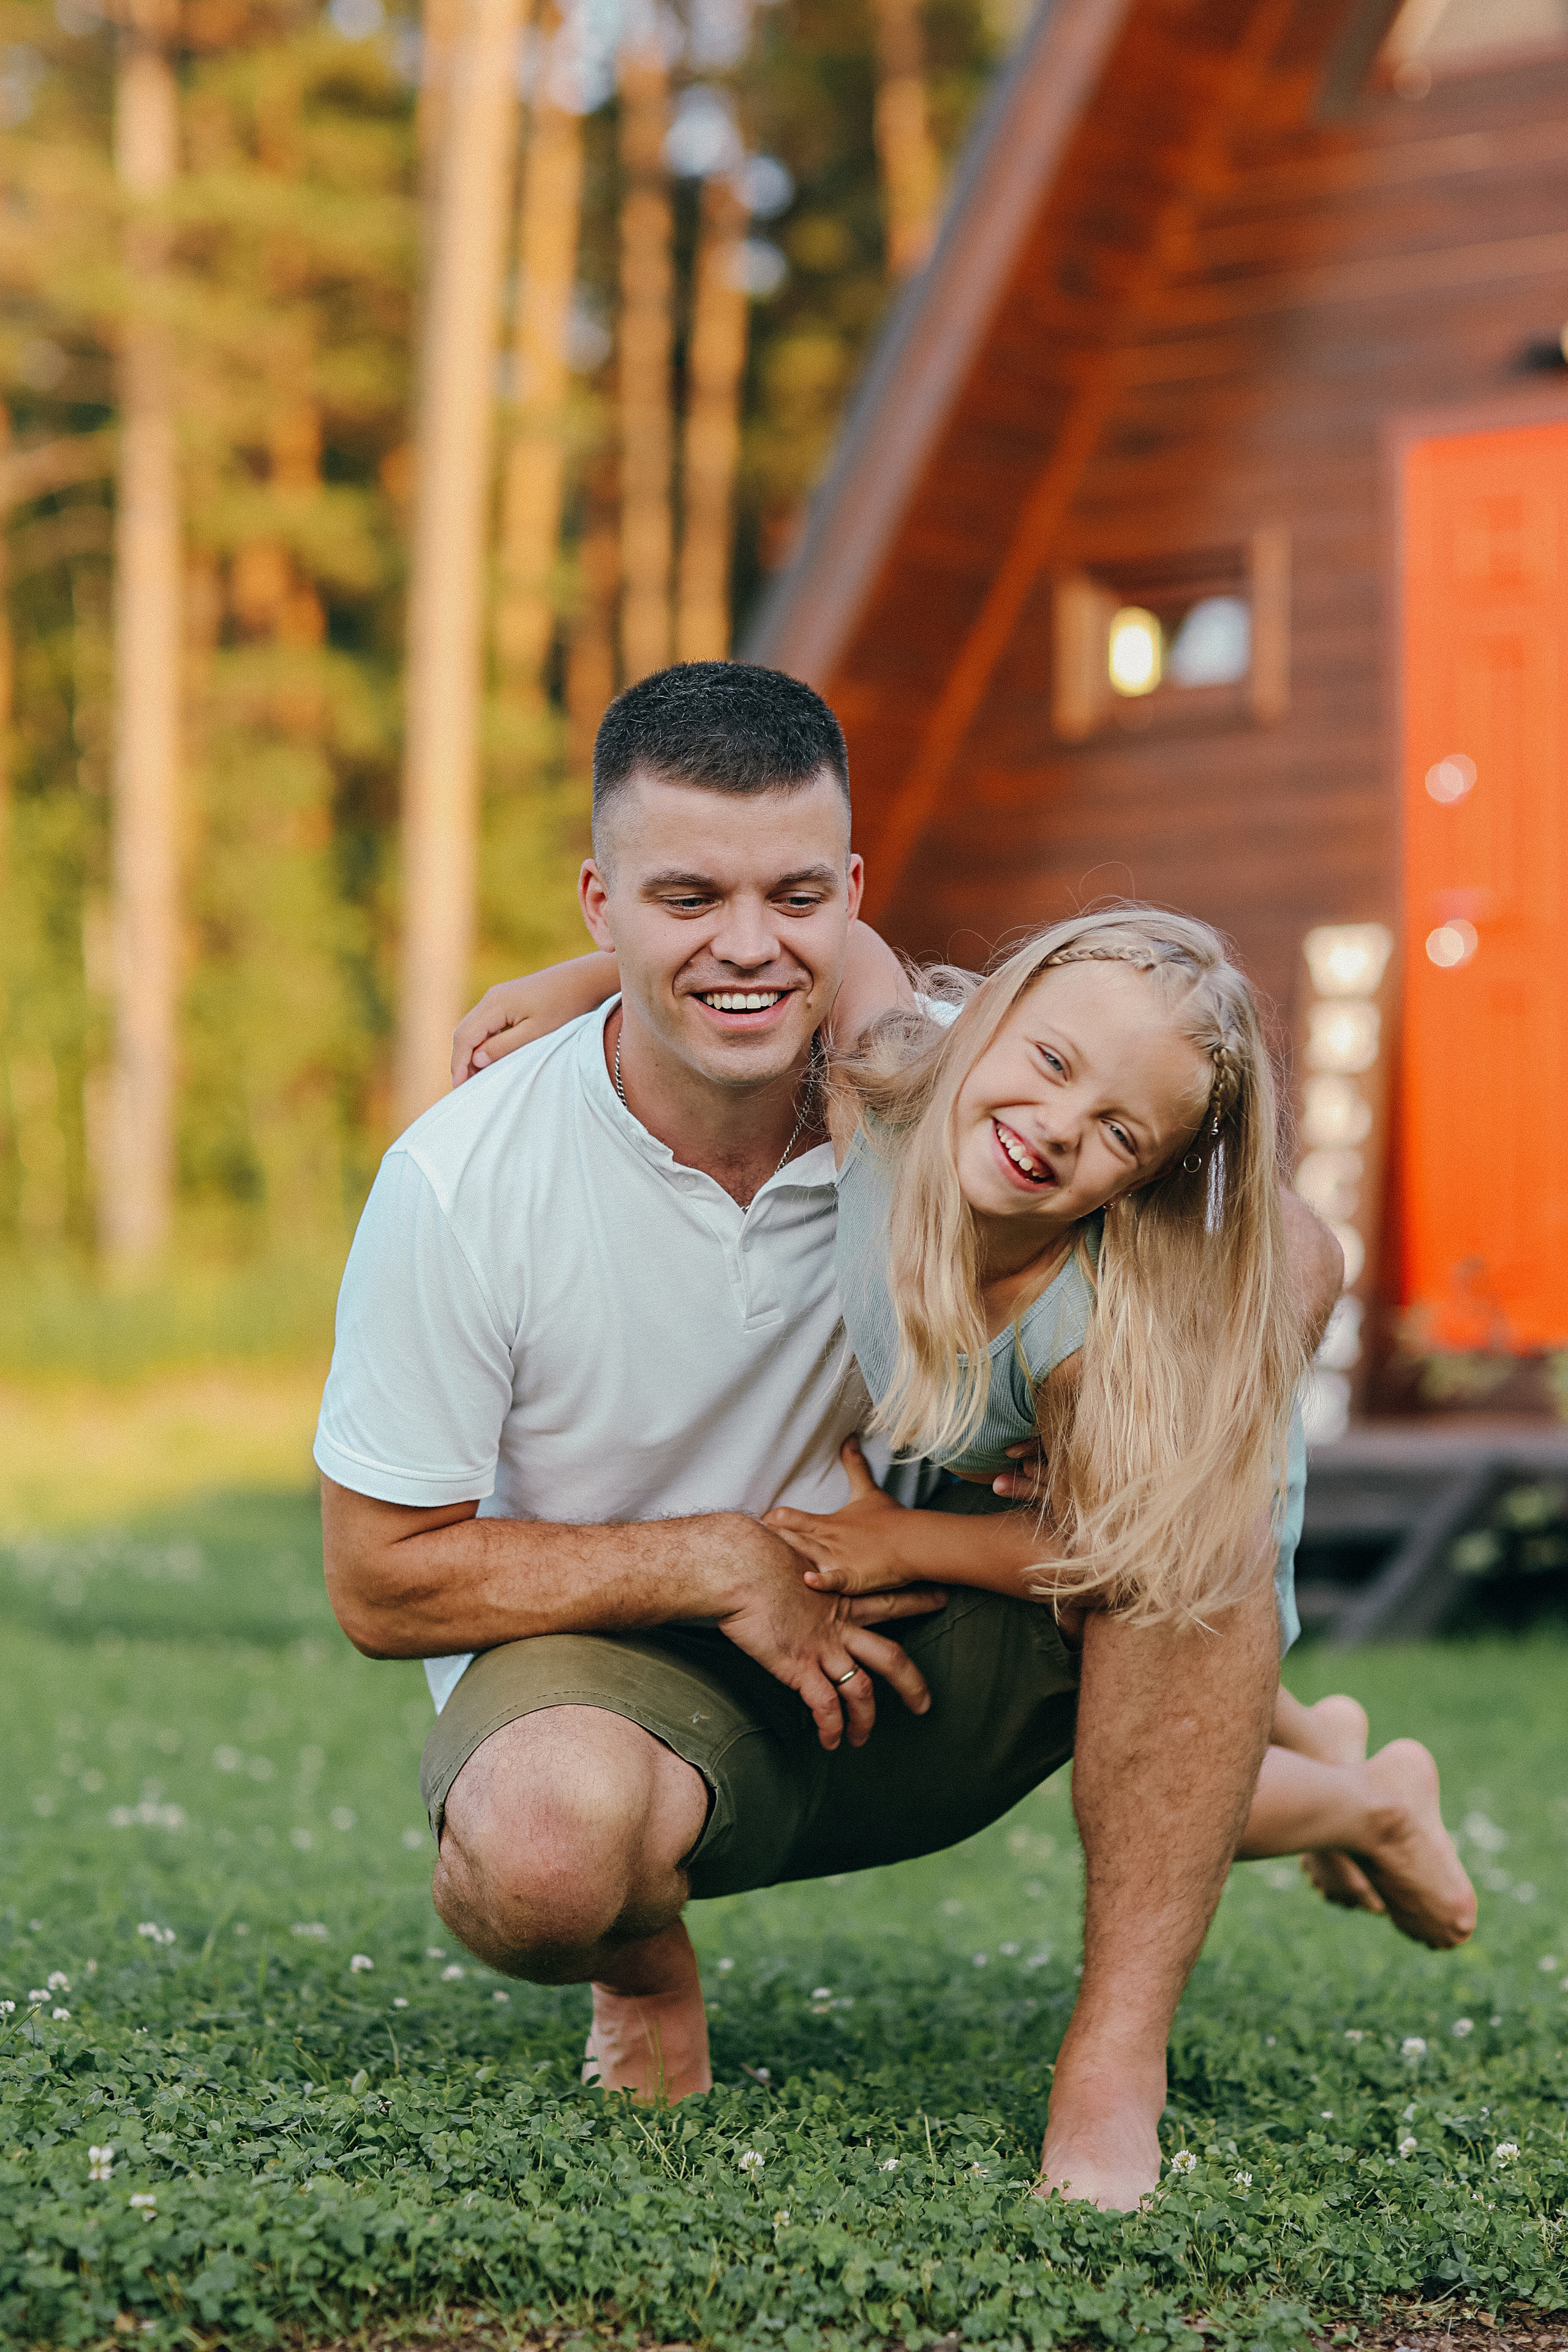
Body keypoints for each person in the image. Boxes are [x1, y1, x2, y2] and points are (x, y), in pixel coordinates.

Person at [313, 663, 1446, 2216]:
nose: (743, 941)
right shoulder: (466, 1181)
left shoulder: (904, 1084)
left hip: (930, 1610)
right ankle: (643, 1970)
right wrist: (723, 1562)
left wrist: (1138, 1423)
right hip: (636, 1650)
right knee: (541, 1856)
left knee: (1192, 1521)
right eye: (683, 896)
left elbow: (1292, 1255)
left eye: (791, 894)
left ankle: (1113, 2063)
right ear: (601, 901)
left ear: (849, 895)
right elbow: (379, 1586)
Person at [471, 900, 1477, 1952]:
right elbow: (845, 948)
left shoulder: (1088, 1347)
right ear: (990, 1016)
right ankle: (1340, 1743)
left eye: (1118, 1129)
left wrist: (902, 1541)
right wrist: (578, 986)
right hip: (1033, 1470)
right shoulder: (889, 1095)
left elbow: (1107, 1556)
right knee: (1186, 1718)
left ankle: (1375, 1808)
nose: (1057, 1123)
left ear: (1144, 1181)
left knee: (1173, 1778)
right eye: (1050, 1059)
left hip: (1176, 1488)